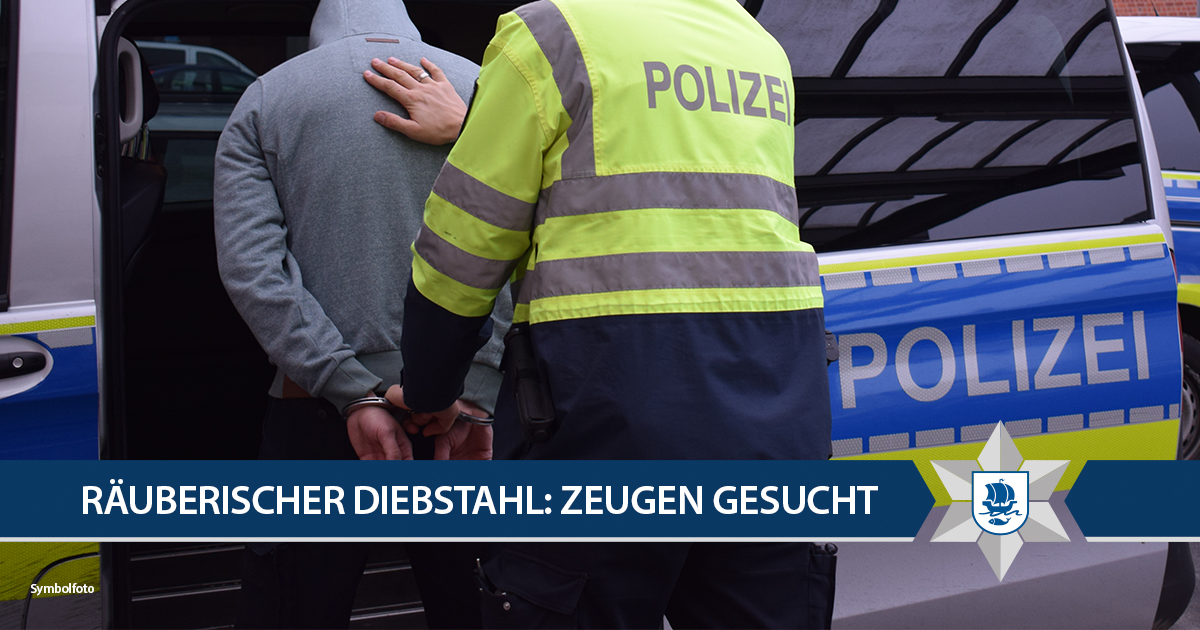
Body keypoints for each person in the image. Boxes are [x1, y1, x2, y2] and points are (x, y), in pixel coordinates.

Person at [362, 0, 835, 626]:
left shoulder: (549, 34)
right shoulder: (755, 43)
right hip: (771, 426)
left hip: (607, 424)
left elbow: (461, 253)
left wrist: (429, 391)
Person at [212, 0, 503, 627]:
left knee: (297, 607)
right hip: (465, 422)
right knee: (480, 603)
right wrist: (478, 390)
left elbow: (253, 270)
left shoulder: (266, 99)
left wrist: (350, 388)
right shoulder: (483, 89)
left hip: (317, 408)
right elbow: (527, 251)